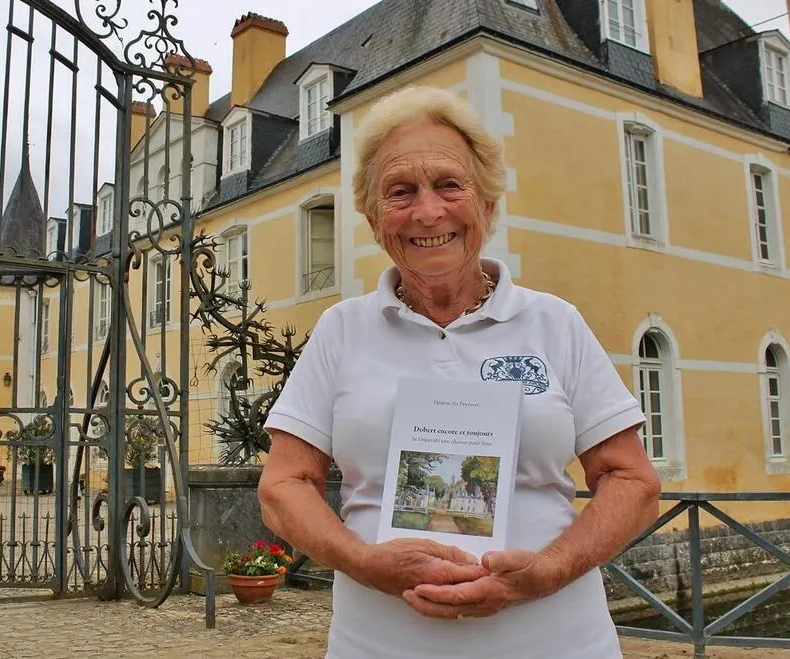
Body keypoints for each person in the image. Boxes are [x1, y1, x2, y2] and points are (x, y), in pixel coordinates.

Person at [258, 85, 661, 658]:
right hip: (380, 646)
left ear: (488, 205)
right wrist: (363, 562)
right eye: (401, 192)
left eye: (449, 185)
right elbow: (282, 486)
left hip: (557, 642)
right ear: (373, 219)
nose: (428, 212)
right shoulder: (341, 330)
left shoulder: (555, 323)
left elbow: (633, 482)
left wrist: (547, 570)